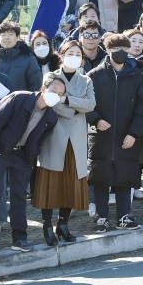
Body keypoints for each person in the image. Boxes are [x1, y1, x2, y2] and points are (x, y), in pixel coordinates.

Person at [0, 77, 64, 254]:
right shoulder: (19, 98)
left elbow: (40, 139)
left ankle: (19, 238)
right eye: (54, 91)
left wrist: (30, 157)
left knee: (19, 196)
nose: (55, 95)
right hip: (0, 150)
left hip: (22, 156)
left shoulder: (51, 116)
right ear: (43, 88)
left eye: (60, 94)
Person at [85, 34, 143, 232]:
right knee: (100, 178)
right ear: (108, 50)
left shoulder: (138, 75)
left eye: (124, 48)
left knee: (125, 176)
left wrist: (134, 133)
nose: (120, 53)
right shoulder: (94, 75)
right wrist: (96, 119)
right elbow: (87, 104)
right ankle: (101, 217)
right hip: (100, 136)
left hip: (127, 136)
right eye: (115, 50)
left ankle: (124, 216)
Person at [34, 44, 95, 245]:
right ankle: (46, 225)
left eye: (78, 54)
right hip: (54, 134)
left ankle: (63, 224)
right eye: (70, 53)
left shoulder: (86, 80)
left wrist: (67, 99)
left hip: (76, 137)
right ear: (61, 56)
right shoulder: (50, 77)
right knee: (50, 182)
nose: (74, 57)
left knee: (71, 182)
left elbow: (91, 104)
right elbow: (50, 101)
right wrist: (74, 109)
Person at [0, 21, 44, 92]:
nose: (7, 37)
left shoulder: (28, 58)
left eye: (11, 34)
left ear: (17, 37)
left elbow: (36, 85)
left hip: (19, 102)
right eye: (3, 35)